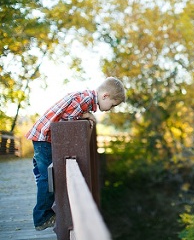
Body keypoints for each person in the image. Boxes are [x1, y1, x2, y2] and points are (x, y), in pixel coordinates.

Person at [25, 77, 126, 231]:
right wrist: (84, 116)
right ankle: (41, 218)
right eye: (112, 105)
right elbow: (69, 119)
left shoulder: (85, 98)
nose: (110, 109)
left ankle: (45, 212)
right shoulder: (85, 99)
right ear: (105, 96)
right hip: (44, 138)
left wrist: (85, 114)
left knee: (47, 175)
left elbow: (69, 113)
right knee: (47, 178)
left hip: (44, 137)